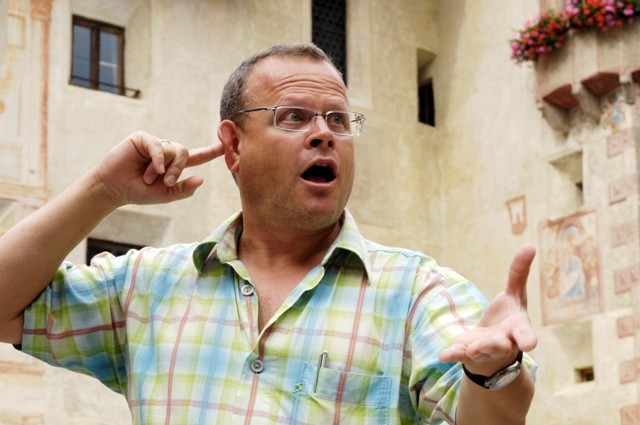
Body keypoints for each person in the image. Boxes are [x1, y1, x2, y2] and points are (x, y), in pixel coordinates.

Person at [0, 43, 537, 424]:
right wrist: (101, 190)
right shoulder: (147, 285)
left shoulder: (418, 291)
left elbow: (488, 418)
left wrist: (494, 372)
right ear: (233, 146)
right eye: (294, 117)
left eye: (339, 120)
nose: (324, 134)